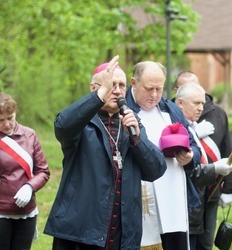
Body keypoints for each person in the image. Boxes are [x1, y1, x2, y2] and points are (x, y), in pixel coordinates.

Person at [43, 55, 167, 250]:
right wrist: (99, 96)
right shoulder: (81, 122)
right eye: (111, 84)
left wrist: (137, 139)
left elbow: (157, 169)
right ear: (95, 89)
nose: (117, 90)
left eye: (121, 85)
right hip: (82, 230)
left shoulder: (130, 122)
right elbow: (62, 125)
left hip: (123, 232)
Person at [125, 61, 201, 250]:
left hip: (173, 198)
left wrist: (190, 156)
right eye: (149, 88)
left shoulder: (171, 109)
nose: (154, 95)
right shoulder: (123, 111)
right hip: (141, 198)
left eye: (159, 89)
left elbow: (194, 146)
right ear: (133, 82)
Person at [174, 71, 232, 249]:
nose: (200, 107)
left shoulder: (217, 113)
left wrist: (230, 187)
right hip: (187, 193)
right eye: (195, 102)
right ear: (178, 93)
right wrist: (194, 134)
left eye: (201, 101)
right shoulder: (170, 114)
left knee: (206, 243)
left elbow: (228, 148)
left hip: (211, 190)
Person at [0, 92, 50, 250]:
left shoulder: (29, 135)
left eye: (10, 118)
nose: (7, 124)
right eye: (0, 120)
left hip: (26, 211)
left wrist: (30, 187)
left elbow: (43, 171)